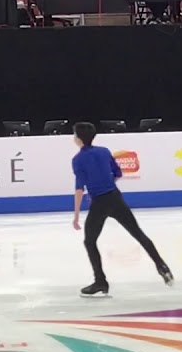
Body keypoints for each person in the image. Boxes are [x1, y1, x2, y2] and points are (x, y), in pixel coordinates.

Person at [71, 122, 173, 297]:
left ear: (78, 138)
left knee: (89, 242)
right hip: (115, 198)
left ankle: (100, 281)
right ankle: (162, 266)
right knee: (138, 233)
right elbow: (118, 173)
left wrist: (76, 216)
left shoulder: (78, 159)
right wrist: (107, 185)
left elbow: (79, 188)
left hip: (99, 203)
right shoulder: (104, 151)